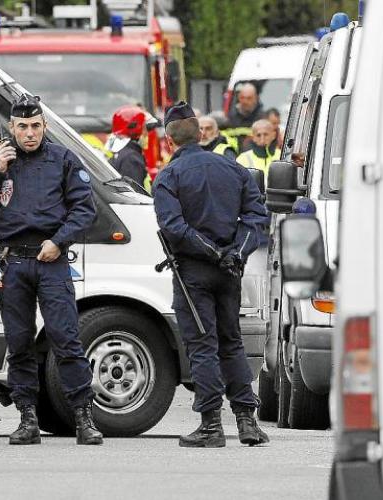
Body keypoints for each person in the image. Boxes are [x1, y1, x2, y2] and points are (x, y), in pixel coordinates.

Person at [0, 94, 103, 446]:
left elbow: (84, 209)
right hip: (12, 262)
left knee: (66, 338)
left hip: (51, 260)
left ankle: (83, 417)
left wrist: (59, 241)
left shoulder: (62, 159)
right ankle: (27, 417)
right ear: (11, 127)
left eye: (35, 126)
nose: (30, 133)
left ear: (44, 126)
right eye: (23, 127)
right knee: (19, 343)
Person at [153, 101, 270, 448]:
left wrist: (211, 252)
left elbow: (174, 227)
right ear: (199, 133)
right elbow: (255, 218)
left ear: (170, 139)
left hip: (194, 271)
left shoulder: (169, 177)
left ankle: (210, 425)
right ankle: (247, 421)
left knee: (202, 345)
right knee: (231, 341)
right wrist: (235, 253)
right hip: (230, 270)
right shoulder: (233, 169)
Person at [107, 104, 150, 189]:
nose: (146, 133)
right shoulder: (131, 159)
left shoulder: (121, 154)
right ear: (135, 130)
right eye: (144, 128)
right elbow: (135, 193)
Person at [223, 83, 265, 153]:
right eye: (242, 98)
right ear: (238, 98)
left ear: (256, 98)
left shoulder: (262, 118)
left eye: (249, 98)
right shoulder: (230, 117)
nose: (245, 101)